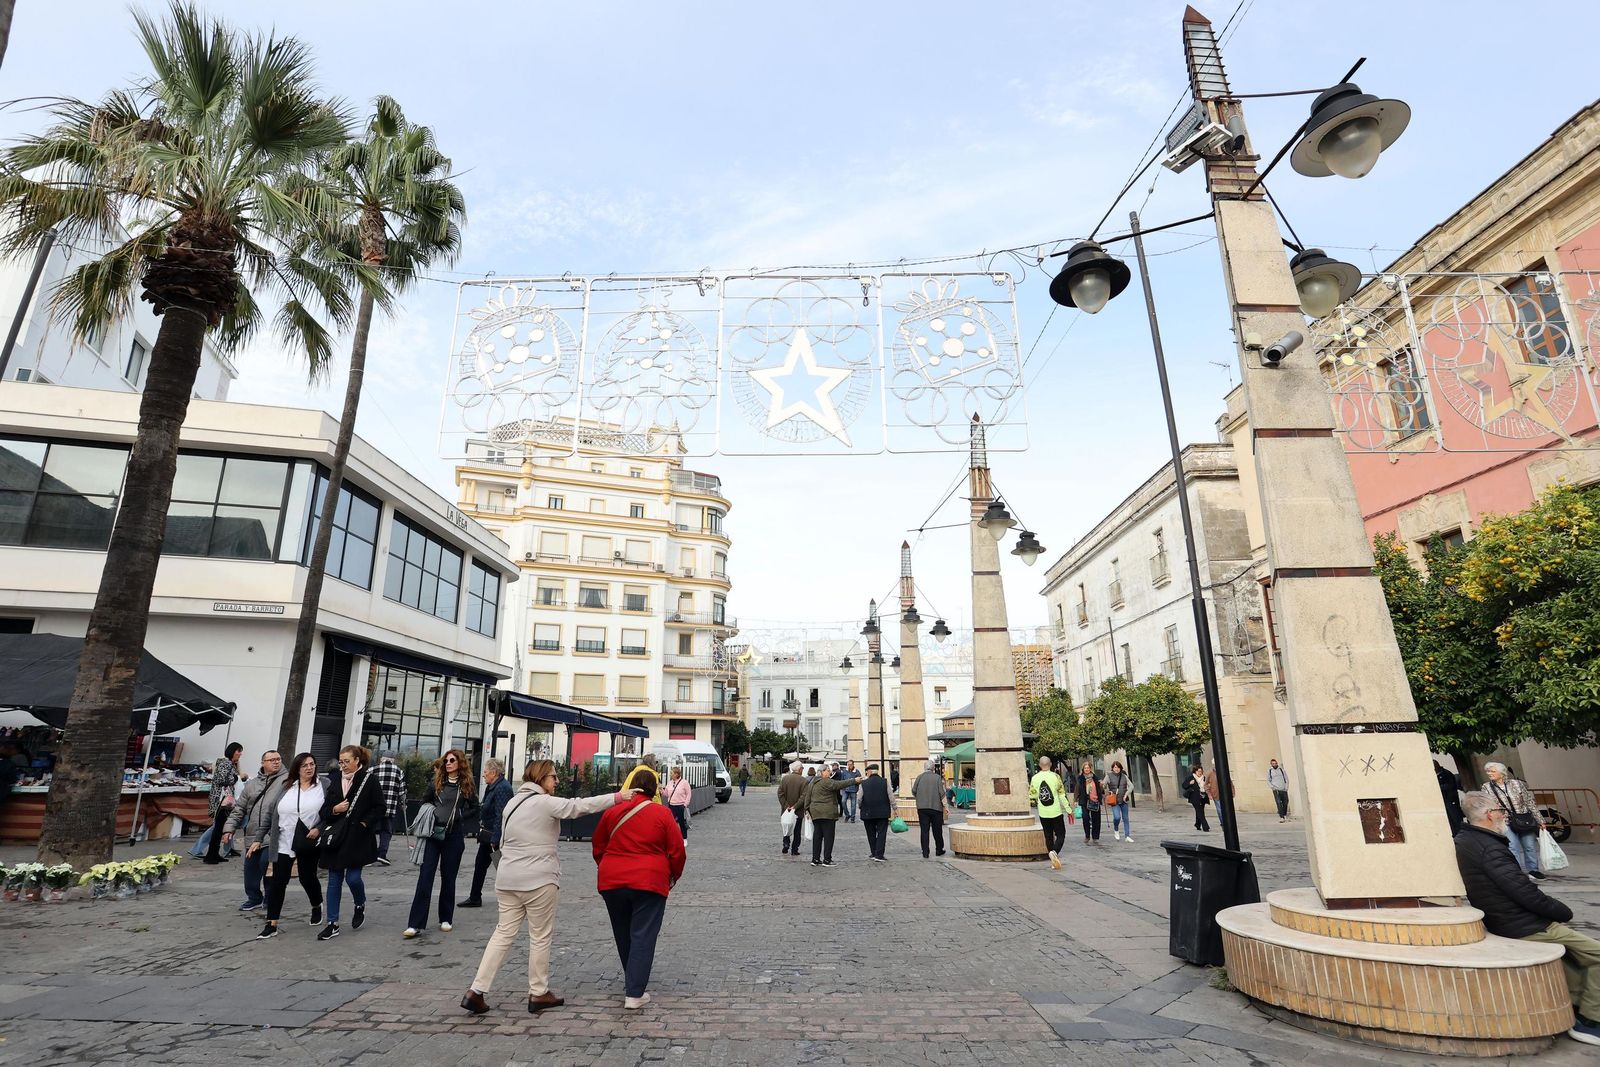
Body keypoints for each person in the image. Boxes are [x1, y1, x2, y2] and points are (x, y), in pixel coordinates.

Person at [460, 760, 640, 1015]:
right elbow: (579, 806)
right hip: (538, 879)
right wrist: (618, 797)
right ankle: (538, 991)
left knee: (502, 934)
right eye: (553, 777)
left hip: (507, 879)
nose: (556, 781)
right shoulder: (544, 802)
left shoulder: (513, 803)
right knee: (540, 935)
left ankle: (476, 990)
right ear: (541, 778)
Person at [1455, 792, 1600, 1047]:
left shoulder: (1467, 839)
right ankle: (1591, 1021)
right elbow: (1525, 893)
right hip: (1523, 923)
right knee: (1596, 953)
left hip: (1504, 919)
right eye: (1500, 810)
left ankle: (1578, 1007)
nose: (1503, 814)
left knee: (1573, 957)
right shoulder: (1490, 849)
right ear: (1490, 815)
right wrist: (1561, 911)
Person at [592, 768, 686, 1010]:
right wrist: (673, 875)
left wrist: (607, 865)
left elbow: (598, 844)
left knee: (623, 932)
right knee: (643, 933)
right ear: (654, 789)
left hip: (612, 880)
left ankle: (632, 977)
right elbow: (677, 850)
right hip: (649, 880)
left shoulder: (613, 812)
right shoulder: (661, 814)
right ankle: (634, 991)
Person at [249, 752, 325, 939]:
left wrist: (319, 828)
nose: (309, 768)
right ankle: (271, 923)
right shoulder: (286, 787)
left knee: (307, 878)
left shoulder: (324, 785)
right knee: (277, 882)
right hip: (282, 840)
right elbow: (270, 814)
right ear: (296, 769)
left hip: (308, 840)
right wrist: (258, 839)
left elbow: (330, 813)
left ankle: (316, 904)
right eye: (305, 765)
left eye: (312, 764)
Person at [406, 749, 481, 937]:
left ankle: (446, 918)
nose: (448, 763)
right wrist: (432, 812)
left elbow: (475, 807)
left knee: (449, 878)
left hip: (453, 836)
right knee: (425, 877)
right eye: (446, 760)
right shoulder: (436, 782)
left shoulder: (466, 785)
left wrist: (460, 815)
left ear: (460, 763)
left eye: (452, 760)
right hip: (433, 835)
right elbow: (425, 801)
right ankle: (415, 924)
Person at [317, 744, 382, 941]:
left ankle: (360, 903)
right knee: (334, 880)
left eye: (347, 761)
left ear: (357, 761)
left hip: (358, 838)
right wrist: (335, 809)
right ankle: (332, 923)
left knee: (353, 878)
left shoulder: (369, 780)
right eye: (341, 761)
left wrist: (364, 823)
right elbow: (325, 810)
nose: (343, 765)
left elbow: (380, 808)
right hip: (337, 837)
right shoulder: (335, 779)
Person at [222, 750, 284, 912]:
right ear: (263, 763)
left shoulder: (287, 781)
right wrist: (229, 829)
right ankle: (254, 897)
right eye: (271, 760)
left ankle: (270, 898)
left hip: (273, 834)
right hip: (252, 833)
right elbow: (239, 809)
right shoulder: (252, 784)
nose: (276, 762)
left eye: (278, 759)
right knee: (250, 870)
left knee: (267, 865)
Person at [461, 758, 513, 909]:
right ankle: (475, 896)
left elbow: (501, 814)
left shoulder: (502, 788)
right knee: (481, 865)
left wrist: (496, 838)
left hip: (494, 837)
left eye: (485, 772)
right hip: (488, 835)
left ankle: (514, 898)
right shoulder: (493, 786)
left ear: (494, 772)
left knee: (501, 867)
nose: (483, 775)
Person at [1483, 762, 1544, 878]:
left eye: (1492, 771)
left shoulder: (1517, 784)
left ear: (1501, 773)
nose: (1489, 773)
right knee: (1512, 846)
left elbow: (1529, 802)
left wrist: (1540, 821)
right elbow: (1488, 805)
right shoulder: (1486, 787)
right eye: (1488, 771)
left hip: (1524, 818)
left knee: (1529, 845)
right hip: (1504, 821)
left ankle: (1533, 870)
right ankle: (1516, 872)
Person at [797, 763, 850, 866]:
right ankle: (827, 860)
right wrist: (854, 781)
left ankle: (815, 859)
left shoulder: (813, 782)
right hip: (827, 813)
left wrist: (807, 809)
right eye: (828, 770)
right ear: (822, 772)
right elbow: (839, 784)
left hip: (815, 812)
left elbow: (807, 797)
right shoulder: (826, 781)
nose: (830, 772)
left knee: (817, 836)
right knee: (828, 836)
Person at [203, 742, 244, 864]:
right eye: (238, 751)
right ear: (232, 751)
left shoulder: (229, 764)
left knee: (220, 827)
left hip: (224, 800)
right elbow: (222, 779)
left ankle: (214, 853)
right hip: (221, 800)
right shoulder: (225, 763)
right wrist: (236, 778)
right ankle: (211, 854)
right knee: (218, 827)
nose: (240, 754)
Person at [1030, 755, 1069, 868]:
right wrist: (1068, 809)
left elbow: (1033, 795)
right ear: (1050, 764)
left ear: (1040, 765)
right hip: (1056, 811)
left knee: (1048, 836)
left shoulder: (1035, 778)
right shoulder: (1056, 776)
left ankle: (1052, 858)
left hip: (1043, 812)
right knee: (1061, 834)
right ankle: (1054, 852)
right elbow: (1062, 794)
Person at [372, 753, 407, 866]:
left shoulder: (372, 769)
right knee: (386, 831)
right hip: (390, 807)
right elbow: (402, 792)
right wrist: (403, 804)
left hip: (374, 807)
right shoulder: (398, 771)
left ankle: (369, 855)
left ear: (382, 759)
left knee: (369, 830)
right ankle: (382, 854)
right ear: (392, 760)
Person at [912, 760, 949, 858]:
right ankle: (939, 850)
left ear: (924, 768)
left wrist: (920, 798)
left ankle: (925, 852)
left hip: (922, 808)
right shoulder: (937, 778)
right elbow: (942, 793)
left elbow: (914, 790)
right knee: (937, 830)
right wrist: (946, 806)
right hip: (936, 808)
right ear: (933, 768)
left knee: (924, 830)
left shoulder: (919, 777)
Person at [858, 763, 892, 862]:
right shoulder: (885, 782)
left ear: (870, 772)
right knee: (882, 833)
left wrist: (860, 807)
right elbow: (891, 796)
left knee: (870, 833)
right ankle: (879, 854)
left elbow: (859, 798)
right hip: (882, 812)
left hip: (867, 812)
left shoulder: (863, 783)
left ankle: (873, 852)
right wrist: (895, 808)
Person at [777, 761, 809, 856]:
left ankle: (786, 844)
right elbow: (804, 796)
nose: (803, 770)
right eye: (802, 768)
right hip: (798, 811)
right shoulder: (804, 781)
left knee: (786, 827)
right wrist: (795, 806)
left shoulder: (785, 779)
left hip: (786, 810)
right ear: (799, 769)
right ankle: (795, 849)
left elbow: (780, 793)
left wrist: (786, 805)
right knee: (797, 830)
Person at [1104, 760, 1134, 843]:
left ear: (1120, 768)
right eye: (1115, 767)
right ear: (1112, 768)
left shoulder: (1124, 776)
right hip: (1115, 801)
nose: (1116, 769)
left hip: (1124, 800)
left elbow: (1131, 785)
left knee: (1126, 818)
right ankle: (1116, 829)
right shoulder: (1108, 776)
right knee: (1117, 817)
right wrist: (1105, 789)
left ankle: (1127, 836)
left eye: (1118, 767)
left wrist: (1127, 794)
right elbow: (1104, 785)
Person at [1075, 761, 1104, 845]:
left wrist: (1101, 786)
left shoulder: (1095, 777)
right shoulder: (1080, 778)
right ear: (1083, 769)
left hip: (1095, 800)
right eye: (1085, 768)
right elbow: (1077, 789)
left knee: (1096, 819)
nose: (1087, 769)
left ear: (1090, 769)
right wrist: (1075, 800)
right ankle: (1087, 836)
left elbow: (1100, 789)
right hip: (1084, 800)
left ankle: (1095, 837)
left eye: (1088, 768)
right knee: (1085, 818)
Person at [1435, 759, 1465, 837]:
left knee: (1456, 818)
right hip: (1444, 801)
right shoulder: (1434, 776)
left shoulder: (1446, 774)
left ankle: (1462, 834)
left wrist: (1438, 787)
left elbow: (1450, 786)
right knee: (1449, 820)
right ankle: (1455, 835)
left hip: (1451, 800)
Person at [664, 766, 692, 846]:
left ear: (676, 774)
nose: (670, 775)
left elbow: (688, 793)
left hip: (680, 806)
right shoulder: (669, 783)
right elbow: (666, 794)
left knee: (682, 823)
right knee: (670, 824)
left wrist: (685, 804)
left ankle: (684, 839)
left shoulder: (684, 782)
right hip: (671, 806)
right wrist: (661, 790)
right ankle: (671, 839)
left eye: (672, 773)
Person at [1185, 766, 1211, 832]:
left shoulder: (1204, 778)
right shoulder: (1191, 778)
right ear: (1195, 771)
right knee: (1200, 812)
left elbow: (1206, 785)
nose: (1200, 773)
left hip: (1203, 797)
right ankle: (1206, 827)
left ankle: (1197, 824)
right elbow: (1184, 785)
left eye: (1201, 771)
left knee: (1199, 811)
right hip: (1194, 797)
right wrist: (1189, 783)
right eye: (1198, 771)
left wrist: (1208, 786)